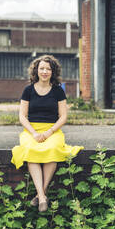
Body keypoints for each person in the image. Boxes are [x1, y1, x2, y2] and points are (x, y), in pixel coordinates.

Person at [11, 55, 84, 212]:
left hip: (53, 130)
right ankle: (43, 196)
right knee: (31, 150)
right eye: (42, 68)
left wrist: (50, 132)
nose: (44, 71)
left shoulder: (58, 90)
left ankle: (40, 195)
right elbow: (22, 116)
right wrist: (34, 133)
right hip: (31, 130)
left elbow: (63, 116)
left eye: (48, 69)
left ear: (53, 71)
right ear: (36, 70)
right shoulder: (28, 90)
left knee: (53, 149)